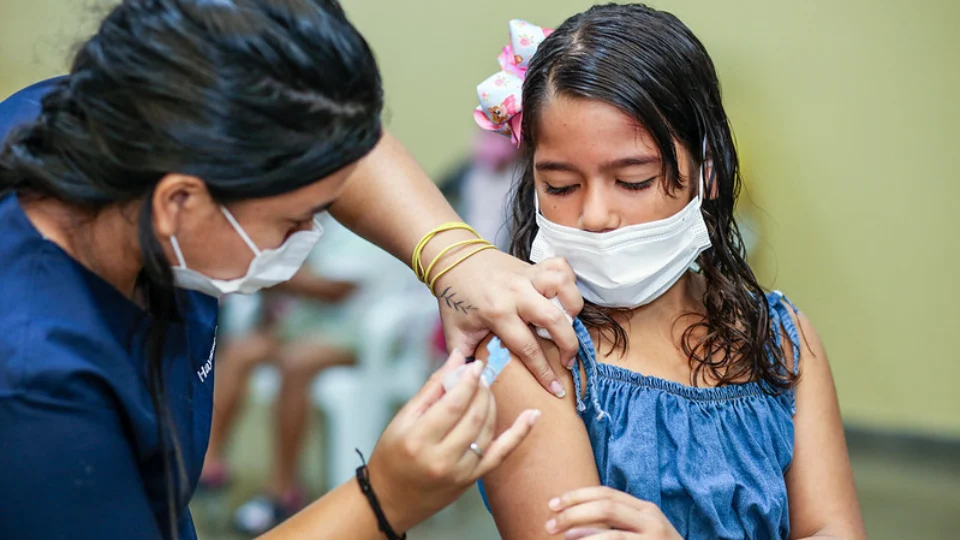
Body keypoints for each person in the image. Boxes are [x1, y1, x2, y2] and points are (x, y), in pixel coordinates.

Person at [0, 1, 587, 539]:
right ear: (178, 203)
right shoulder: (38, 392)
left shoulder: (134, 113)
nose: (309, 235)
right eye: (294, 218)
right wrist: (383, 499)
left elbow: (333, 140)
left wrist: (455, 256)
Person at [470, 7, 867, 540]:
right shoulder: (533, 359)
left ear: (708, 172)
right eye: (561, 186)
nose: (595, 216)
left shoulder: (781, 342)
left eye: (634, 181)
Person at [203, 216, 417, 535]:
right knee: (240, 352)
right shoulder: (322, 217)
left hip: (360, 331)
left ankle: (283, 488)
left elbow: (336, 290)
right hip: (307, 323)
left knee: (295, 364)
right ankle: (208, 466)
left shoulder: (372, 220)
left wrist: (261, 272)